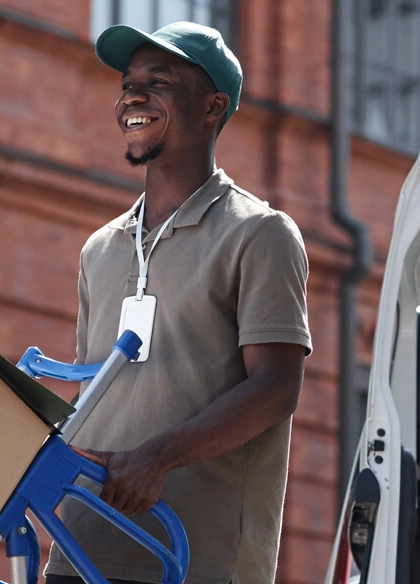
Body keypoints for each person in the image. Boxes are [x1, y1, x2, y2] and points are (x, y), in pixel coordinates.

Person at [43, 21, 312, 584]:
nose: (132, 97)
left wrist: (158, 456)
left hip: (194, 559)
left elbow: (275, 388)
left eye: (158, 81)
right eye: (128, 83)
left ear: (212, 105)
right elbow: (95, 395)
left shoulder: (259, 234)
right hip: (81, 549)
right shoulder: (101, 249)